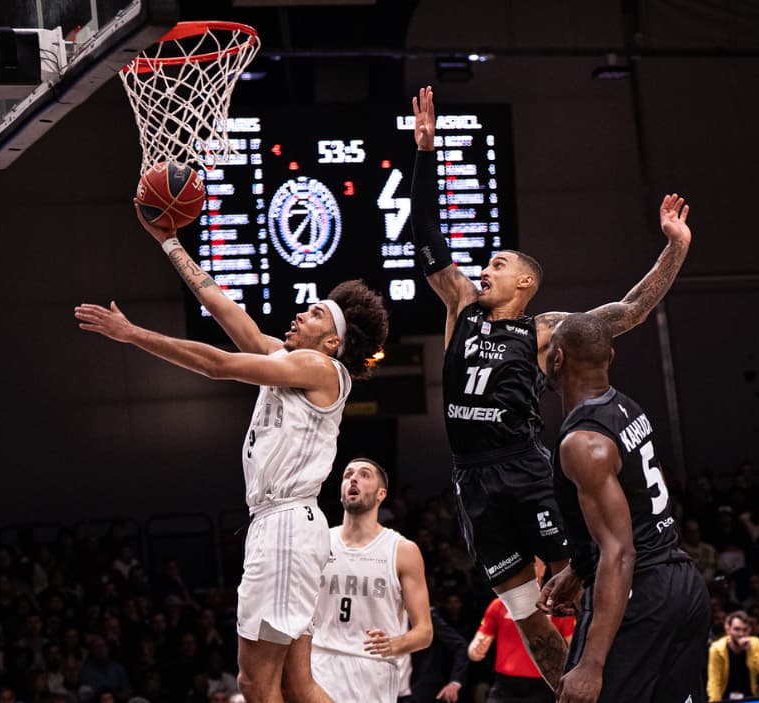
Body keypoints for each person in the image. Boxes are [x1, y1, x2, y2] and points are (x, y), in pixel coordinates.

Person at [409, 86, 694, 689]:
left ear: (525, 283)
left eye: (496, 265)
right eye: (483, 264)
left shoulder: (544, 331)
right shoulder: (460, 305)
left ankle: (620, 675)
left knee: (582, 579)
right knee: (529, 622)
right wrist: (425, 153)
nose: (482, 269)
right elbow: (424, 232)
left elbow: (630, 310)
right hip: (473, 480)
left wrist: (675, 248)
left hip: (526, 470)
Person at [75, 207, 390, 703]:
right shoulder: (291, 361)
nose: (299, 313)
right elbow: (224, 309)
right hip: (289, 527)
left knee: (255, 683)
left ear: (332, 341)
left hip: (286, 528)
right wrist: (170, 243)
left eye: (313, 313)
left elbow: (219, 366)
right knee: (296, 683)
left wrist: (133, 335)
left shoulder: (319, 366)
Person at [538, 313, 711, 703]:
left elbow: (619, 553)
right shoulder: (629, 409)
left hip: (640, 592)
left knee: (579, 694)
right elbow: (646, 506)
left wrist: (592, 664)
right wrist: (579, 570)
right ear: (610, 357)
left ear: (558, 359)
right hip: (682, 581)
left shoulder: (583, 442)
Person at [310, 457, 434, 702]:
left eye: (364, 474)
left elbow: (425, 632)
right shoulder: (318, 541)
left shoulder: (402, 551)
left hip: (372, 668)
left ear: (381, 494)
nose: (353, 479)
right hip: (319, 663)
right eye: (348, 475)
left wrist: (395, 644)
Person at [469, 559, 575, 703]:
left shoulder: (557, 606)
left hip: (543, 686)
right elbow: (475, 649)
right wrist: (476, 650)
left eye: (533, 564)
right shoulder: (498, 605)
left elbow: (573, 650)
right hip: (505, 687)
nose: (526, 569)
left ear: (543, 569)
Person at [404, 608, 469, 702]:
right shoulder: (386, 616)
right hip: (391, 685)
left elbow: (460, 645)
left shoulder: (426, 615)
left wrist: (455, 681)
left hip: (421, 686)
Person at [707, 611, 759, 701]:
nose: (741, 634)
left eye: (745, 630)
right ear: (728, 629)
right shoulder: (717, 649)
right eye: (737, 629)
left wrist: (751, 651)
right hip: (726, 698)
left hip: (752, 698)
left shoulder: (756, 645)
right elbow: (714, 683)